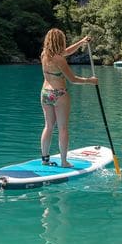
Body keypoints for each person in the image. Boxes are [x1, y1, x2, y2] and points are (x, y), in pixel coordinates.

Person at [40, 28, 97, 168]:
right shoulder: (59, 59)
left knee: (48, 126)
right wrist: (90, 81)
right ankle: (64, 162)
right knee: (63, 128)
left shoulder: (44, 55)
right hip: (59, 94)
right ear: (60, 41)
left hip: (45, 93)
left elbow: (67, 52)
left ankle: (45, 159)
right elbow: (72, 79)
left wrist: (82, 42)